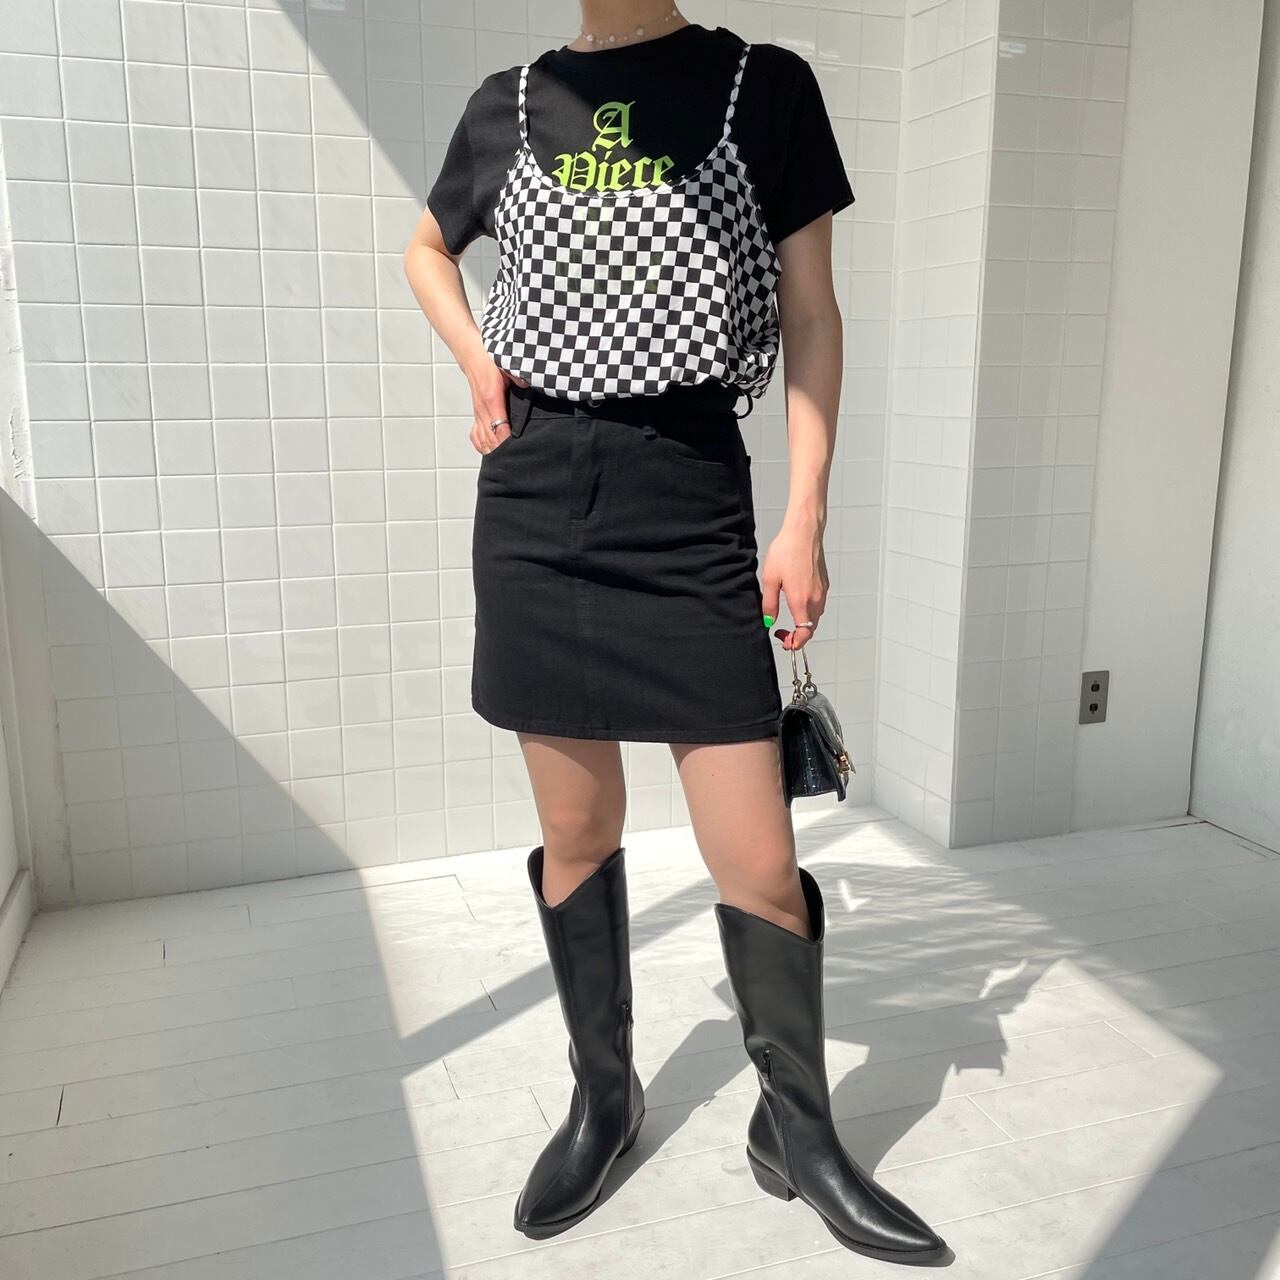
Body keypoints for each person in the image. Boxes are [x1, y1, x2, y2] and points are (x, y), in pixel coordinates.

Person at [404, 4, 950, 1265]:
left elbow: (810, 314)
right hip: (536, 496)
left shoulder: (763, 85)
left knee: (755, 855)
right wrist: (481, 364)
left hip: (691, 488)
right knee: (575, 830)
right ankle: (605, 1097)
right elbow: (427, 248)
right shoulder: (509, 99)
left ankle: (799, 1133)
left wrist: (803, 515)